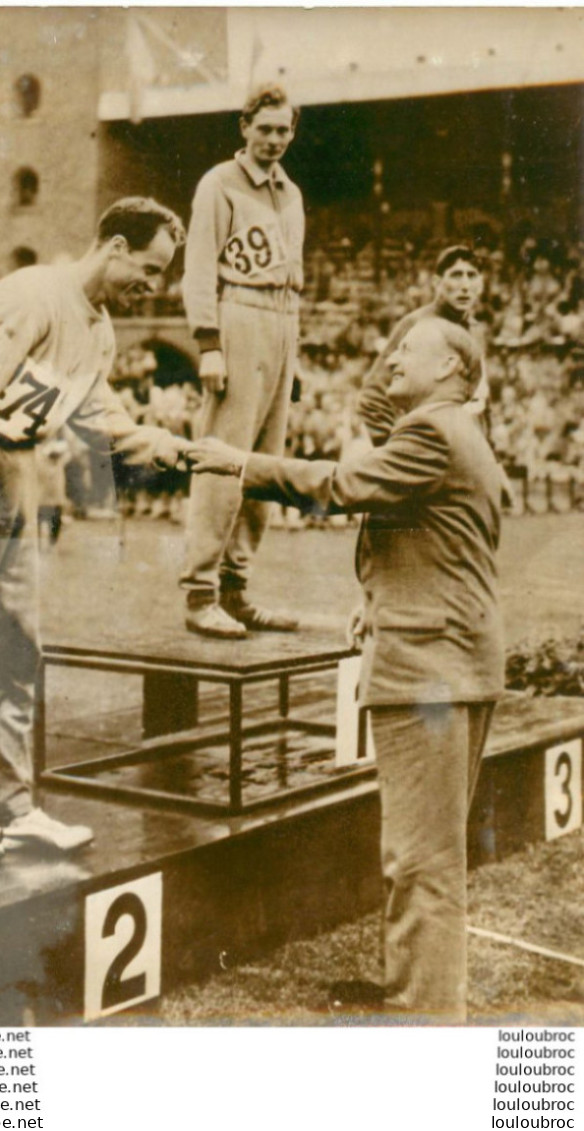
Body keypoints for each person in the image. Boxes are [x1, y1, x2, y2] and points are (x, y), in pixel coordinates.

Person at [189, 317, 505, 1021]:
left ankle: (424, 1018)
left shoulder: (432, 432)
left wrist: (237, 462)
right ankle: (416, 992)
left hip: (429, 666)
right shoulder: (457, 432)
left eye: (407, 350)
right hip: (450, 655)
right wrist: (381, 598)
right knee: (426, 856)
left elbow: (339, 484)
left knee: (421, 862)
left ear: (454, 365)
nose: (390, 360)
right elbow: (445, 544)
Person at [0, 196, 190, 863]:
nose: (152, 286)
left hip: (19, 470)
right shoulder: (32, 295)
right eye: (148, 269)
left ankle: (12, 807)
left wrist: (159, 440)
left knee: (18, 641)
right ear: (115, 246)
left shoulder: (98, 331)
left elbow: (95, 415)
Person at [179, 83, 305, 638]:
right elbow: (200, 266)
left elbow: (291, 275)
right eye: (266, 129)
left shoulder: (291, 192)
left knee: (266, 465)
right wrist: (208, 343)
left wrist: (292, 357)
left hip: (283, 321)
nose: (275, 140)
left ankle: (237, 589)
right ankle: (200, 591)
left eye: (284, 130)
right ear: (245, 128)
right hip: (238, 316)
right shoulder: (219, 184)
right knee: (222, 459)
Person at [359, 245, 488, 447]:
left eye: (472, 276)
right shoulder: (417, 324)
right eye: (456, 275)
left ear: (481, 283)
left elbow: (479, 398)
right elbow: (373, 398)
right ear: (437, 282)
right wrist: (395, 452)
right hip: (426, 448)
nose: (465, 285)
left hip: (464, 448)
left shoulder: (475, 330)